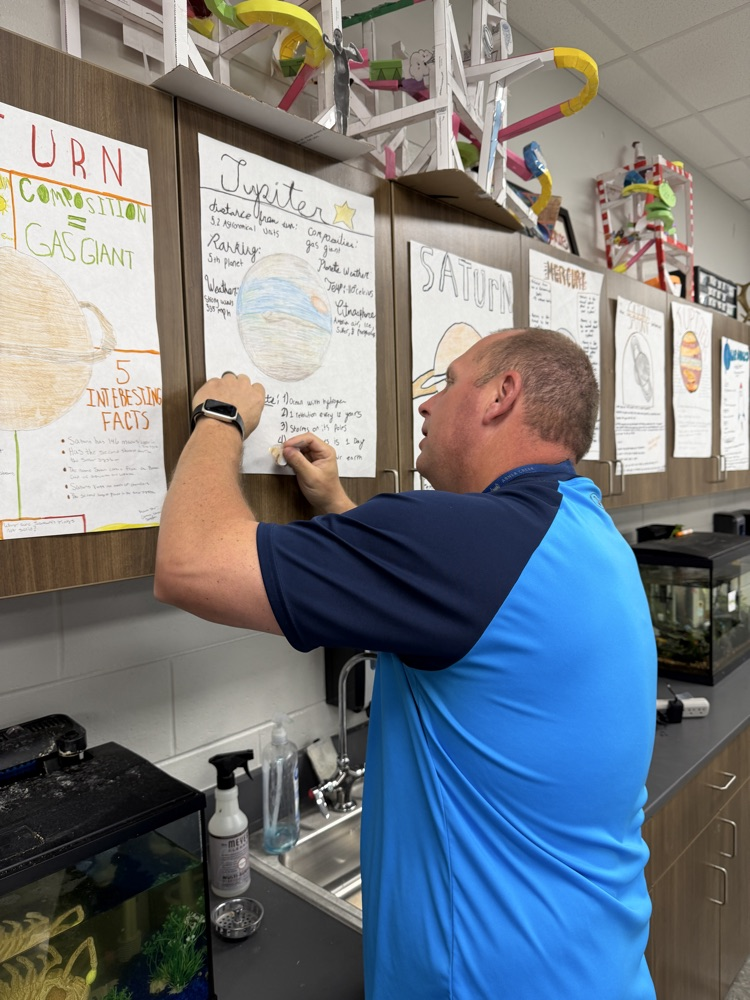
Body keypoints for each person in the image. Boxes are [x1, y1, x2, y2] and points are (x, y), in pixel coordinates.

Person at [154, 327, 657, 1000]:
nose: (425, 405)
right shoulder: (586, 531)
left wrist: (221, 419)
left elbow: (189, 564)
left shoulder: (465, 543)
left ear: (503, 395)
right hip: (596, 968)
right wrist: (337, 509)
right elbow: (452, 609)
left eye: (447, 383)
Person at [323, 27, 362, 135]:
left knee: (345, 111)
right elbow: (326, 42)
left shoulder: (346, 52)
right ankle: (339, 132)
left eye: (338, 36)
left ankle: (344, 133)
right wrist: (324, 37)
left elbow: (360, 59)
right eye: (335, 35)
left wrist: (354, 47)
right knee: (338, 110)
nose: (337, 38)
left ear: (341, 38)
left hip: (345, 85)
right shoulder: (334, 49)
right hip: (337, 83)